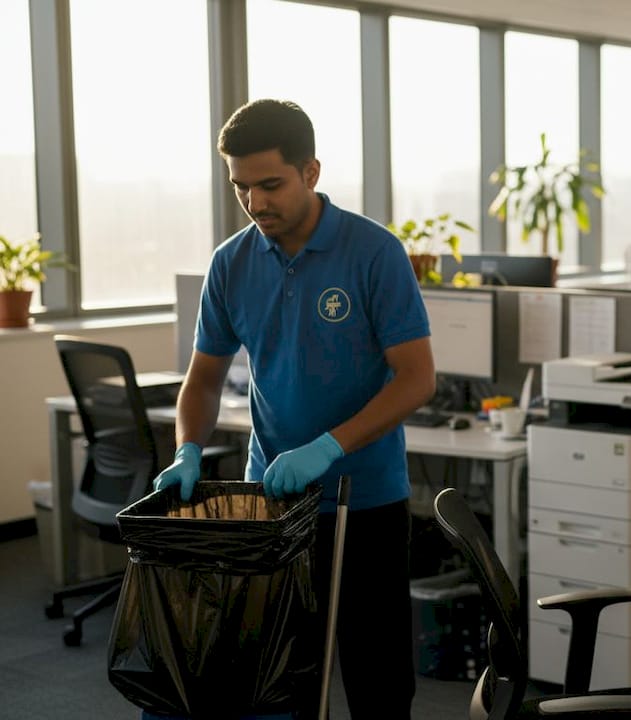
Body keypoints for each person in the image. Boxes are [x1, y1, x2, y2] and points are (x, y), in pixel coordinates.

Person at [152, 99, 435, 718]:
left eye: (271, 184)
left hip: (365, 502)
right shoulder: (230, 263)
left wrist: (329, 447)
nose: (255, 202)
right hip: (273, 507)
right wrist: (187, 448)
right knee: (282, 683)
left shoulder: (373, 252)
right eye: (241, 187)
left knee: (379, 684)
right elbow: (203, 381)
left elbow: (417, 379)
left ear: (311, 171)